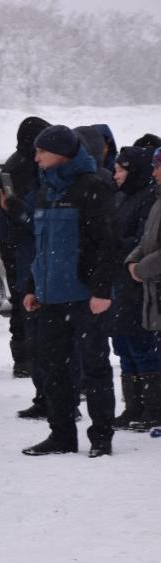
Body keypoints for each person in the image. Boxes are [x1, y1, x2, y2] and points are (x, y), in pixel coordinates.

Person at [22, 125, 120, 457]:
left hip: (84, 297)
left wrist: (101, 290)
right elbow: (38, 246)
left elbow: (106, 245)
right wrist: (33, 286)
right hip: (50, 298)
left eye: (41, 151)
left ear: (61, 153)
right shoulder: (44, 191)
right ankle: (61, 435)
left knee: (94, 368)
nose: (35, 158)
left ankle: (102, 437)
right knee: (54, 370)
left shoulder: (92, 187)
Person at [0, 116, 51, 398]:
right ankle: (44, 384)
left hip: (20, 250)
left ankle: (28, 367)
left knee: (25, 314)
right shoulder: (35, 171)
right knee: (41, 320)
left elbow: (6, 210)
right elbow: (39, 221)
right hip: (34, 251)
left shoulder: (13, 165)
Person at [109, 146, 160, 431]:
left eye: (121, 170)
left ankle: (153, 407)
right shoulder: (121, 198)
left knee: (144, 346)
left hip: (141, 285)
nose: (115, 176)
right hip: (121, 282)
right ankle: (134, 406)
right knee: (124, 346)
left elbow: (143, 242)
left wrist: (124, 254)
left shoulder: (148, 199)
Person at [124, 147, 161, 431]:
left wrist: (142, 268)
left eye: (158, 166)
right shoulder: (157, 201)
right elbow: (147, 240)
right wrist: (133, 260)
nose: (154, 172)